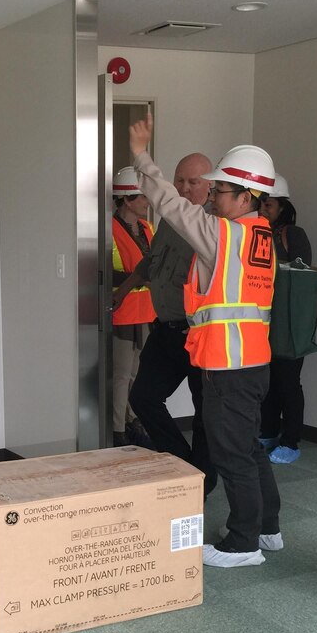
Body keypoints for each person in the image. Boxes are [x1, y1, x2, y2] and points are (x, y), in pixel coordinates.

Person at [130, 115, 281, 567]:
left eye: (218, 190)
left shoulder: (224, 235)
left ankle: (243, 543)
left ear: (246, 196)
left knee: (231, 454)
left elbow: (171, 205)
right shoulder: (259, 236)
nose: (211, 197)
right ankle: (267, 528)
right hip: (251, 362)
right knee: (248, 447)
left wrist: (141, 155)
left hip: (227, 366)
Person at [114, 152, 217, 494]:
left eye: (194, 182)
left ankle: (202, 482)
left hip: (200, 334)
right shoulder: (169, 222)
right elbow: (150, 262)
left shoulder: (212, 226)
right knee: (143, 397)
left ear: (210, 185)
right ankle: (183, 463)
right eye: (179, 180)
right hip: (166, 330)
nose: (185, 188)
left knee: (204, 414)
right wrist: (124, 290)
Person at [259, 174, 313, 464]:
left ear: (282, 207)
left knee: (289, 381)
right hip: (264, 319)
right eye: (261, 204)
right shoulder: (252, 231)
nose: (263, 209)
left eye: (269, 204)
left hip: (291, 320)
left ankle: (291, 441)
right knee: (268, 379)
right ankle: (267, 432)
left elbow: (301, 275)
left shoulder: (293, 234)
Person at [109, 167, 156, 446]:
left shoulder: (148, 228)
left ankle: (132, 419)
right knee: (121, 374)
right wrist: (142, 279)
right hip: (123, 312)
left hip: (147, 311)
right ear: (127, 199)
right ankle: (118, 430)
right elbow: (104, 273)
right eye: (142, 197)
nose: (147, 201)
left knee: (138, 373)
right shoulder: (109, 229)